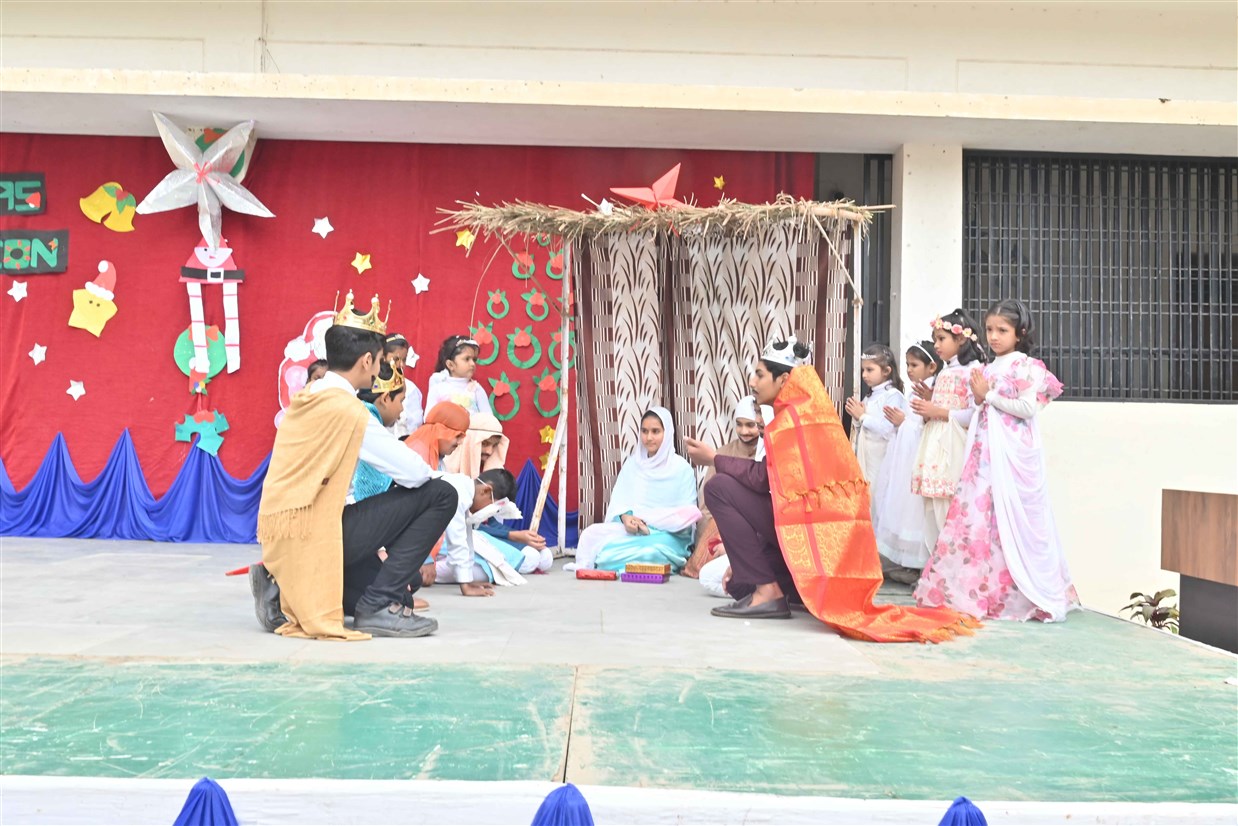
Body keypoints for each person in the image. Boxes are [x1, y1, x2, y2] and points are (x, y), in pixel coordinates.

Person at [685, 334, 977, 642]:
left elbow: (761, 480)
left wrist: (714, 458)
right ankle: (773, 587)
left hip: (812, 531)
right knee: (736, 585)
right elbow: (776, 491)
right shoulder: (805, 413)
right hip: (817, 534)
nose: (752, 381)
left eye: (759, 374)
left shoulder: (792, 421)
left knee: (719, 486)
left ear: (782, 379)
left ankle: (768, 591)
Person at [253, 291, 457, 640]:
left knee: (403, 592)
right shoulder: (348, 410)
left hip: (287, 538)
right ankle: (377, 606)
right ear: (366, 361)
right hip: (318, 532)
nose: (379, 369)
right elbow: (415, 474)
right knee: (441, 493)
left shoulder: (308, 396)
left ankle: (280, 585)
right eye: (380, 361)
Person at [916, 300, 1080, 621]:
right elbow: (975, 412)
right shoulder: (987, 369)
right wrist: (969, 402)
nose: (993, 336)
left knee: (1015, 519)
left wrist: (987, 395)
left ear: (1020, 333)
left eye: (1002, 330)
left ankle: (1021, 593)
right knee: (981, 519)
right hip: (984, 453)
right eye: (990, 329)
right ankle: (983, 594)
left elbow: (1027, 409)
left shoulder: (1026, 367)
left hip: (1012, 454)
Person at [570, 407, 701, 573]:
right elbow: (619, 506)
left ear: (667, 433)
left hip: (668, 537)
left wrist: (652, 525)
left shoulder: (681, 469)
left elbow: (687, 517)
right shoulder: (633, 465)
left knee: (651, 552)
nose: (649, 437)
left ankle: (632, 560)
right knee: (592, 535)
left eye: (655, 431)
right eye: (644, 431)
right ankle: (628, 561)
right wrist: (626, 518)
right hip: (633, 533)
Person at [910, 308, 986, 553]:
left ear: (961, 339)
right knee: (932, 506)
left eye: (941, 339)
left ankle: (954, 560)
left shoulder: (972, 371)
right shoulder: (947, 370)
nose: (936, 345)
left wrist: (939, 411)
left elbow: (975, 413)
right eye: (935, 339)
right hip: (935, 444)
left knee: (949, 507)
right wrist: (931, 401)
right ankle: (938, 562)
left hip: (953, 446)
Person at [872, 341, 942, 580]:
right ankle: (905, 563)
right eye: (908, 365)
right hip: (905, 457)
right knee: (901, 508)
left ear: (931, 367)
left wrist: (904, 423)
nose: (909, 370)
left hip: (920, 457)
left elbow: (927, 426)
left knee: (916, 513)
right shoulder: (913, 391)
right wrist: (902, 424)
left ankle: (920, 565)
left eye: (914, 365)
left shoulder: (933, 391)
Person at [682, 395, 770, 580]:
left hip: (759, 530)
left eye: (750, 425)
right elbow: (707, 509)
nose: (744, 431)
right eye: (739, 424)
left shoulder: (768, 453)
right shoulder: (722, 454)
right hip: (723, 526)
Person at [436, 468, 553, 588]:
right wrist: (465, 584)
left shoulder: (467, 493)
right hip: (434, 546)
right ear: (486, 490)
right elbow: (457, 540)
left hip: (444, 545)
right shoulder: (458, 494)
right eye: (492, 508)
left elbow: (467, 537)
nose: (489, 513)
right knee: (481, 571)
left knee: (481, 569)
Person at [424, 334, 491, 416]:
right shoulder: (438, 389)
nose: (472, 364)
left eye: (474, 359)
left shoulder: (476, 389)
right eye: (467, 359)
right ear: (450, 365)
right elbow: (428, 417)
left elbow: (489, 418)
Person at [444, 410, 509, 476]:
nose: (489, 451)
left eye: (494, 445)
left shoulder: (498, 476)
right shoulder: (444, 469)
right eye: (484, 444)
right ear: (468, 441)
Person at [384, 333, 425, 437]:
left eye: (404, 360)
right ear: (383, 357)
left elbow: (416, 423)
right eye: (396, 359)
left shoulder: (411, 388)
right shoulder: (370, 384)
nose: (401, 364)